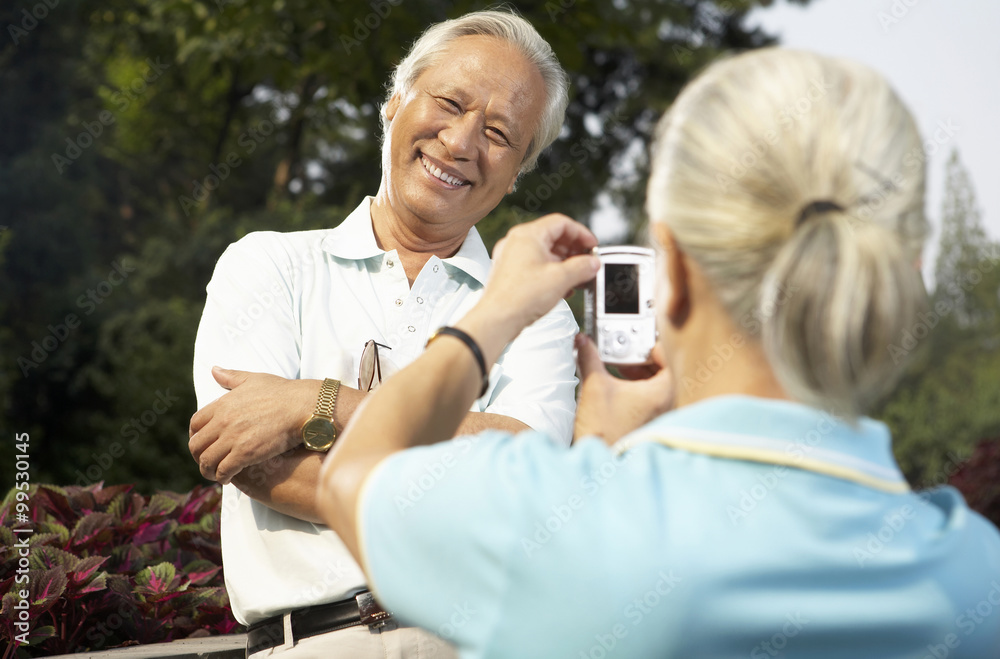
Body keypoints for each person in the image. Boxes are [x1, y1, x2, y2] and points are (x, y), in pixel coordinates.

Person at [314, 48, 1000, 657]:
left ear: (667, 268)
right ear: (905, 278)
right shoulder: (979, 578)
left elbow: (357, 471)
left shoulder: (552, 526)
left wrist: (492, 314)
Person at [188, 10, 579, 658]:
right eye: (450, 102)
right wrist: (456, 479)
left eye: (500, 133)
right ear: (395, 100)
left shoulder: (537, 306)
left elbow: (524, 476)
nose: (459, 142)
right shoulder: (267, 264)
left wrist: (317, 404)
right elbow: (252, 462)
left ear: (516, 173)